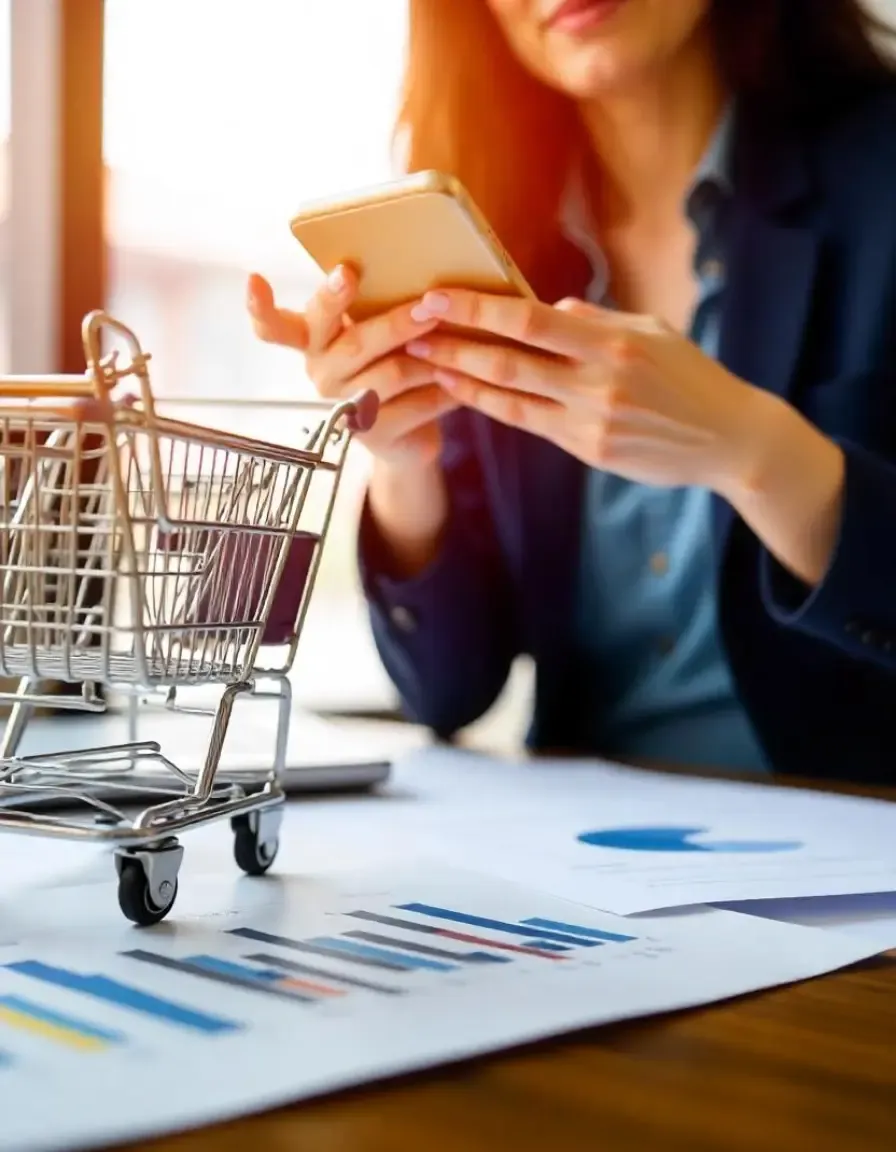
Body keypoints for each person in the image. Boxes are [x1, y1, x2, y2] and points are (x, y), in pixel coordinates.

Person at [248, 0, 896, 784]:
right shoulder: (499, 246)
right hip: (592, 857)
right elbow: (447, 691)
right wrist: (404, 462)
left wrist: (756, 452)